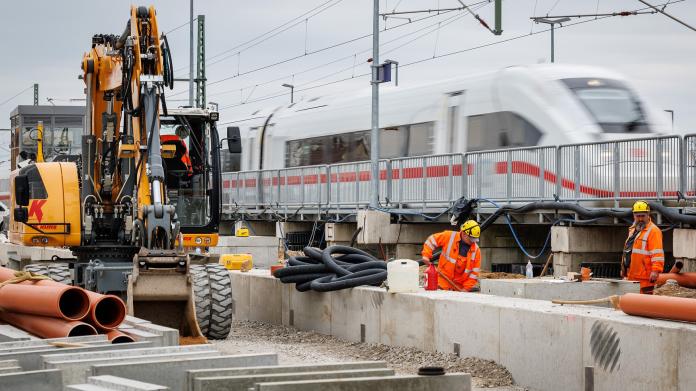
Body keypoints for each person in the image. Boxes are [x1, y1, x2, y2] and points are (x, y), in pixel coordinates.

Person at [421, 220, 482, 292]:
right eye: (471, 239)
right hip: (442, 283)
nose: (473, 241)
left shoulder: (476, 251)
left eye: (475, 239)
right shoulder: (449, 236)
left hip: (458, 288)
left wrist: (466, 288)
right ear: (464, 234)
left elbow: (474, 274)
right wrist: (426, 255)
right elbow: (432, 240)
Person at [622, 200, 665, 294]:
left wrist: (655, 271)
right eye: (638, 216)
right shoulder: (633, 229)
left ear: (648, 214)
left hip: (645, 277)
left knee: (644, 303)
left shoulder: (654, 231)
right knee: (633, 303)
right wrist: (623, 269)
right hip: (632, 275)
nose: (640, 219)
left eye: (643, 216)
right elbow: (628, 251)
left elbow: (657, 253)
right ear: (634, 215)